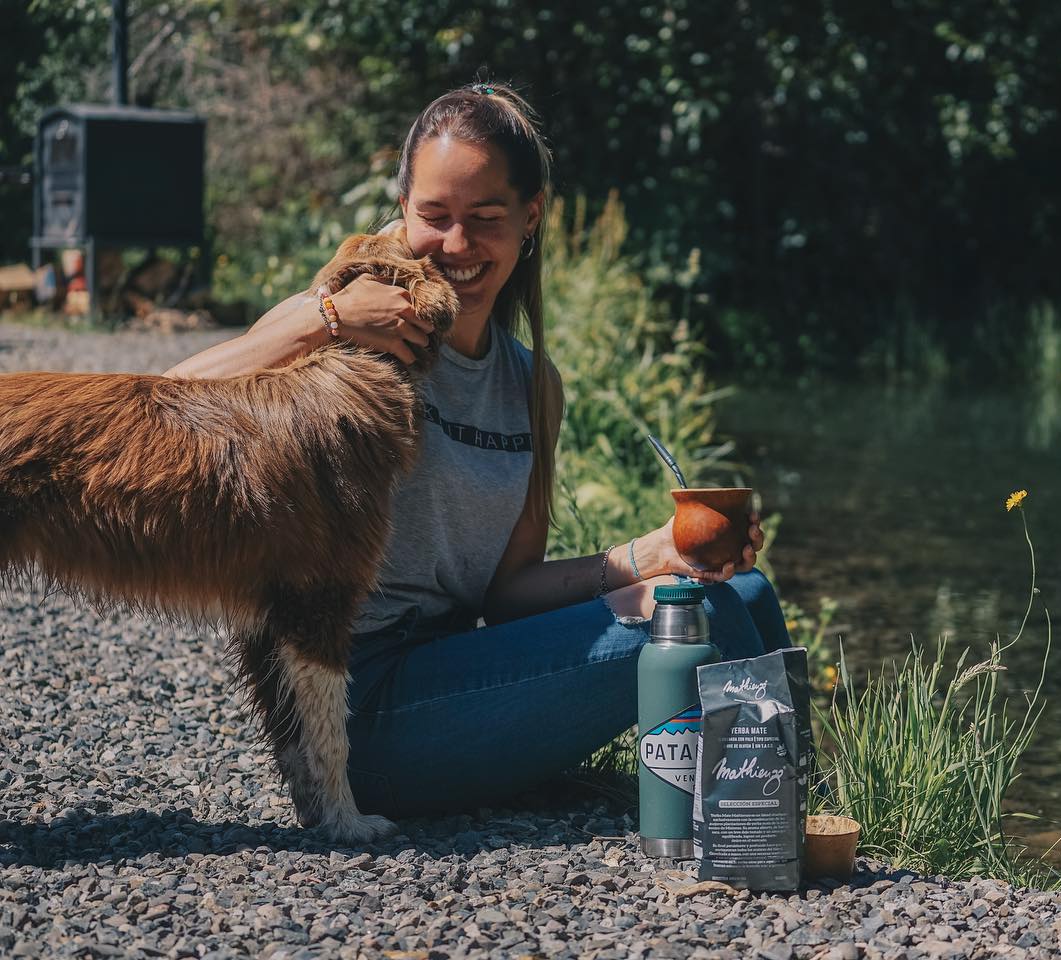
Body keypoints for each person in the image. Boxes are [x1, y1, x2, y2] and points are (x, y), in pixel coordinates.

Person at [165, 81, 791, 819]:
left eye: (485, 219)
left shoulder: (531, 385)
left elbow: (507, 591)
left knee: (742, 592)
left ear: (530, 218)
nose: (456, 246)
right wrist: (325, 314)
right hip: (355, 713)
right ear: (403, 209)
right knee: (706, 622)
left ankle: (769, 818)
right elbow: (170, 398)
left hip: (457, 673)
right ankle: (759, 824)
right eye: (435, 217)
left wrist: (653, 554)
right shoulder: (341, 335)